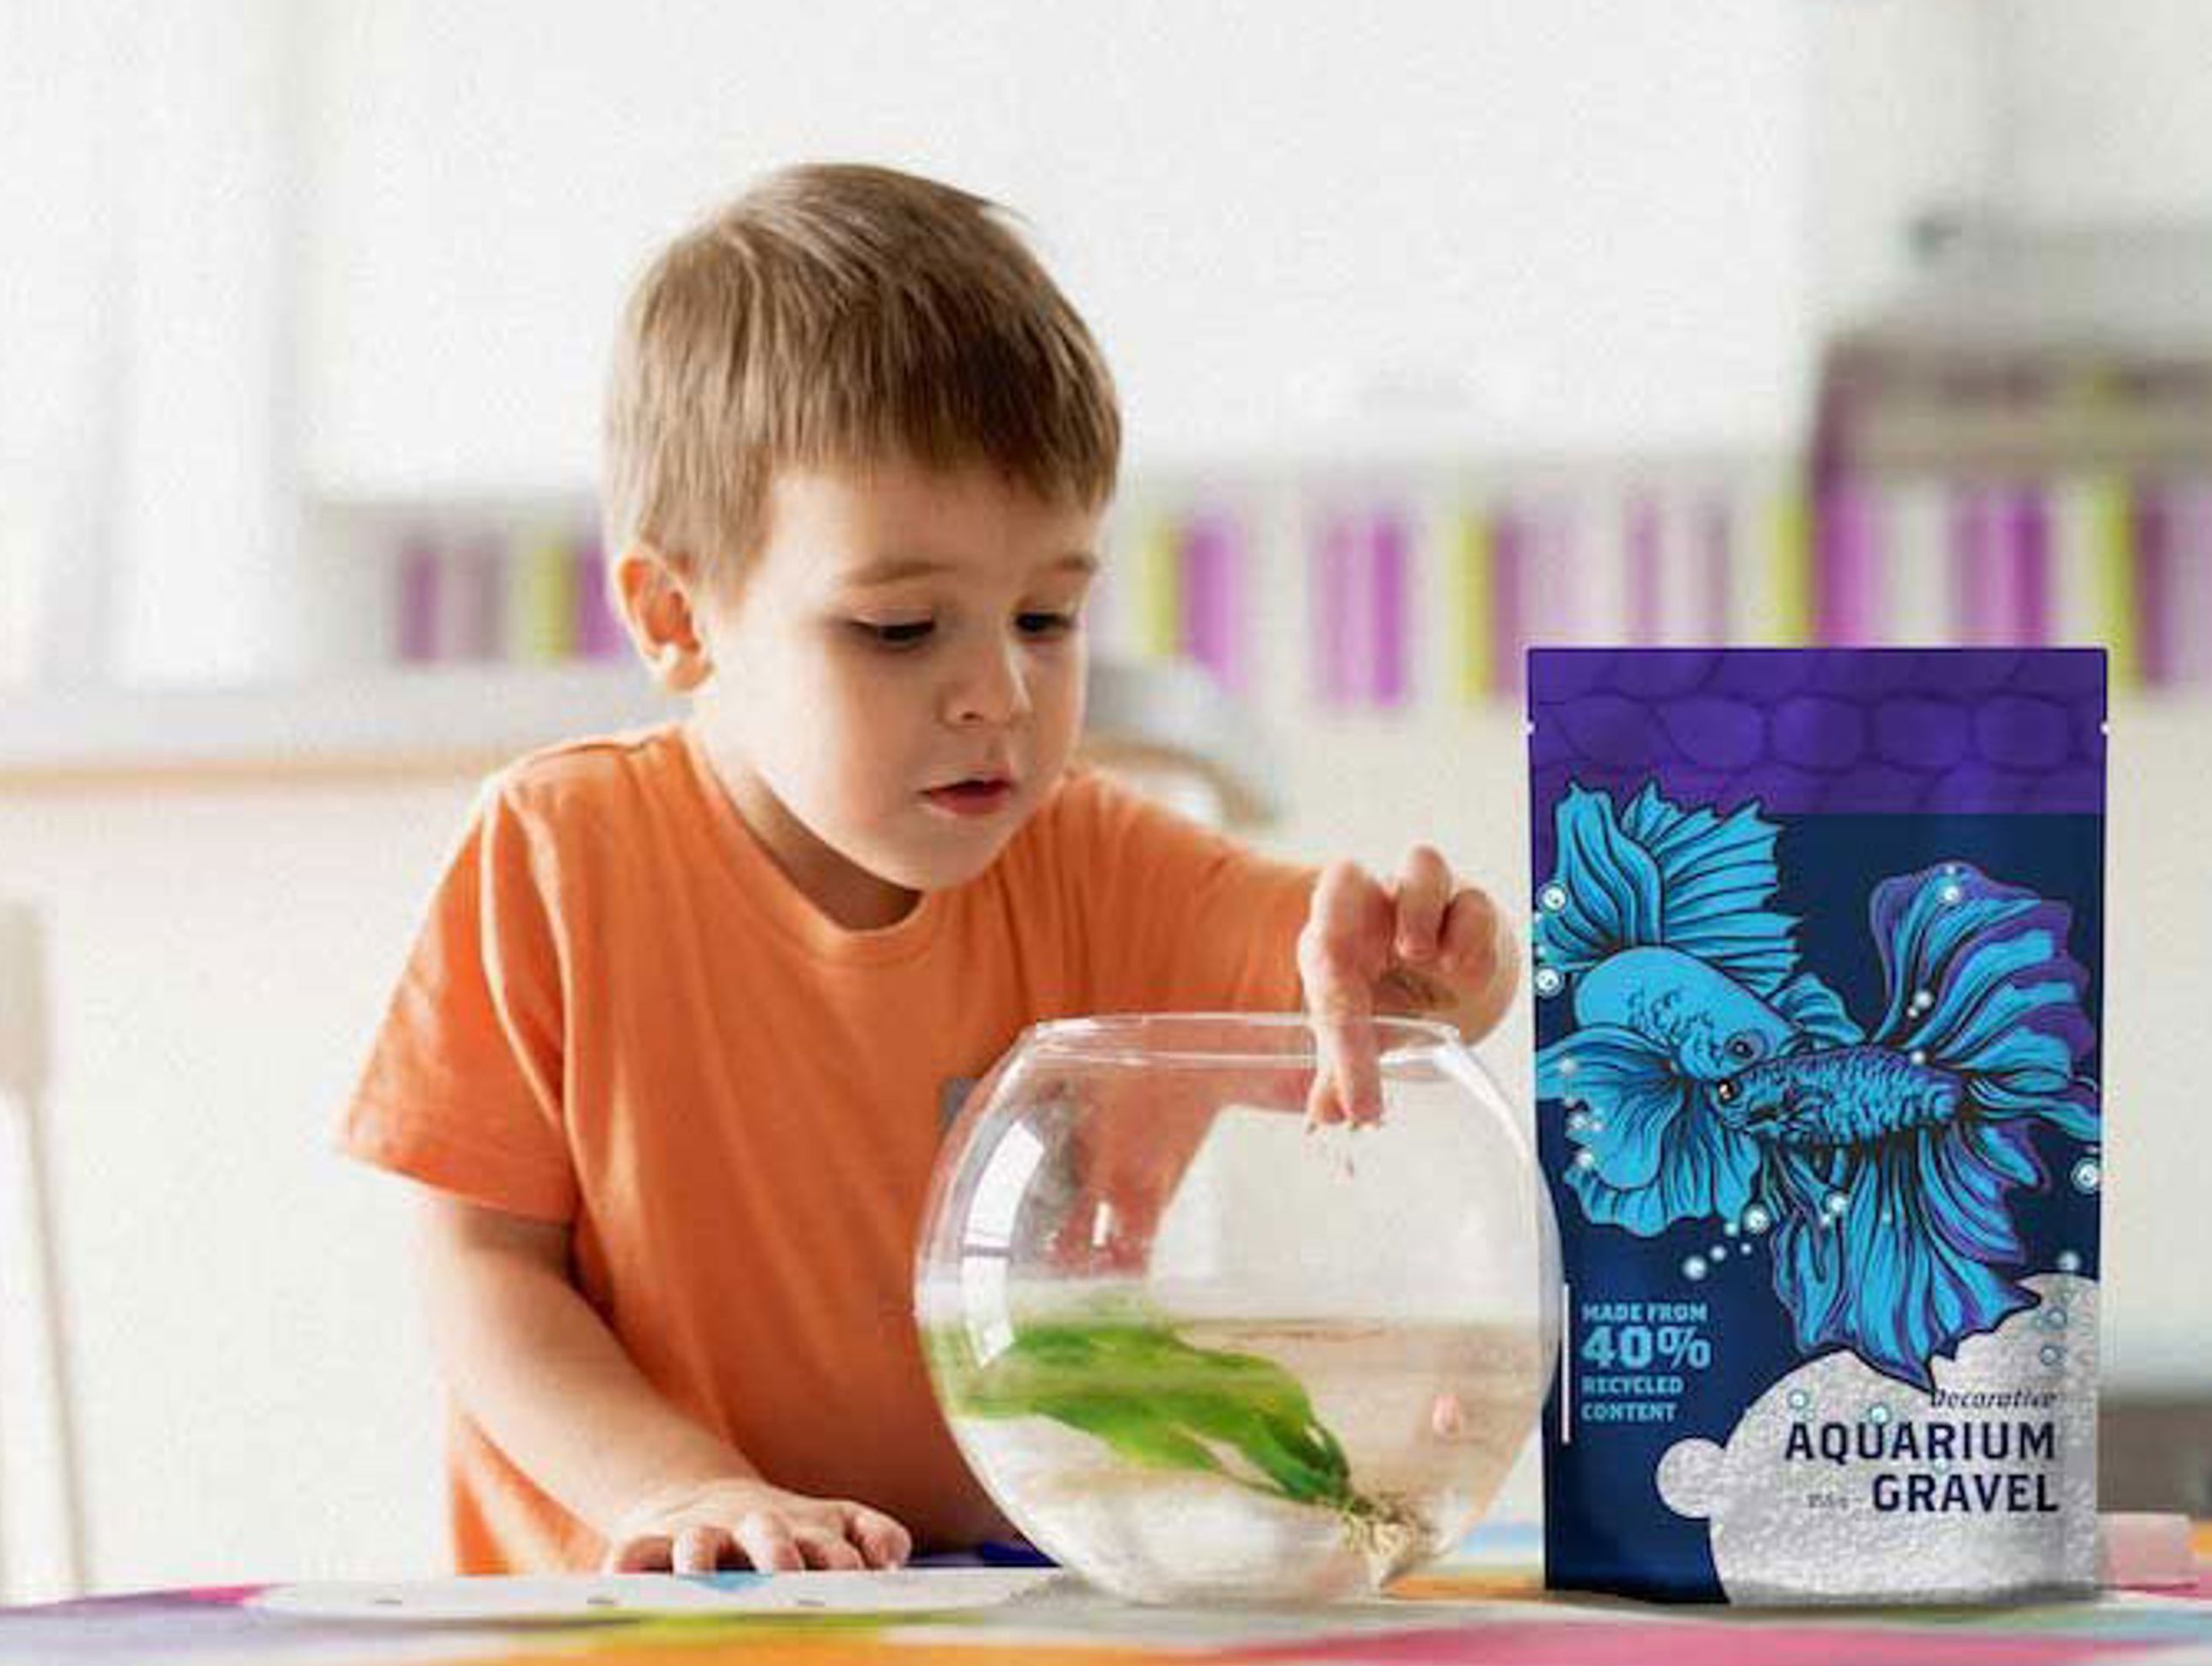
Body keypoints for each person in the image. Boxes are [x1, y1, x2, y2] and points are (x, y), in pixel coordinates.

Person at [340, 164, 1514, 1577]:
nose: (998, 693)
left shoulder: (1089, 852)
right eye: (900, 628)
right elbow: (481, 1275)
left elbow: (1342, 985)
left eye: (1046, 613)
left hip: (997, 1614)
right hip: (643, 1622)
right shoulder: (551, 863)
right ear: (677, 614)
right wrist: (680, 1491)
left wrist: (1418, 967)